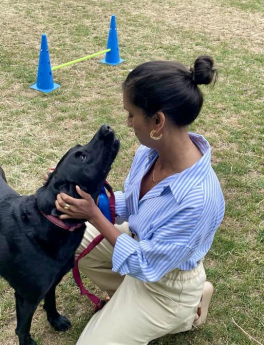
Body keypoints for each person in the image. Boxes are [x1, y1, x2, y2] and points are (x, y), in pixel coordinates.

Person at [50, 55, 225, 345]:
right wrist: (81, 195)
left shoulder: (198, 200)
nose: (128, 122)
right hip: (140, 249)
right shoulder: (149, 152)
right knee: (65, 234)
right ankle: (127, 300)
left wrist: (94, 215)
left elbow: (145, 263)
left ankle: (184, 312)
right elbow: (132, 205)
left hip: (165, 286)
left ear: (158, 121)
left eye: (131, 114)